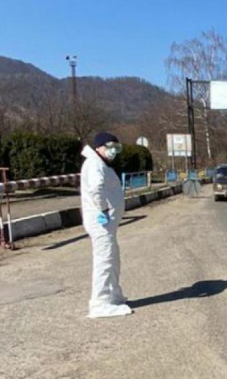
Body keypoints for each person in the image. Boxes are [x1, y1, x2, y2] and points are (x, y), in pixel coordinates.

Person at [80, 132, 131, 319]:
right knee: (104, 259)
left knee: (112, 258)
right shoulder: (94, 164)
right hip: (101, 221)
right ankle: (100, 303)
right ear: (98, 147)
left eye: (116, 148)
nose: (113, 151)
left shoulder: (101, 164)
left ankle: (113, 295)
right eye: (109, 146)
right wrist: (103, 209)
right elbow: (96, 189)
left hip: (107, 222)